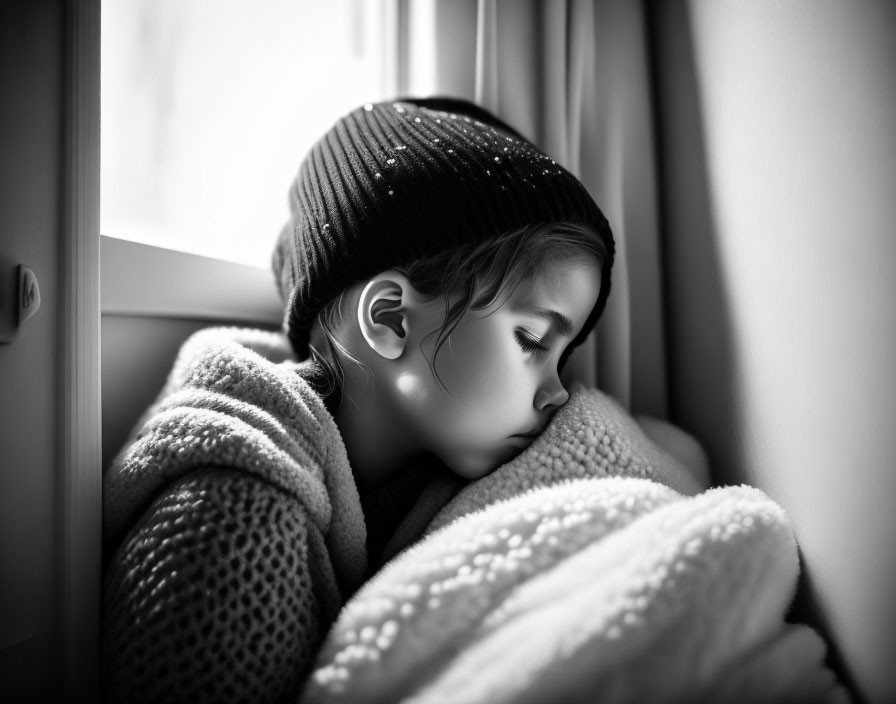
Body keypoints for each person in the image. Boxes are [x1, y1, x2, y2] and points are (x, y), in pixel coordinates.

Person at [101, 97, 615, 703]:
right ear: (391, 317)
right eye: (532, 340)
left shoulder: (447, 487)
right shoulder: (232, 528)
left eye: (564, 356)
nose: (559, 393)